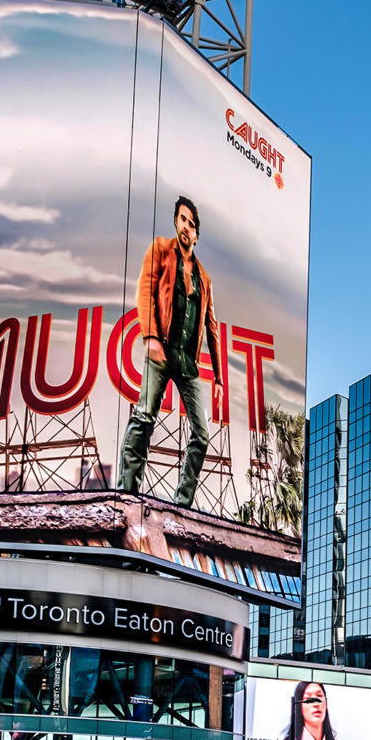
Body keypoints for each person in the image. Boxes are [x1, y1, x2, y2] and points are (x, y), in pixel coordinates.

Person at [118, 195, 224, 509]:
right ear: (175, 222)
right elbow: (146, 291)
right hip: (160, 349)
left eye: (192, 224)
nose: (186, 228)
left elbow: (212, 327)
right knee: (144, 418)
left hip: (188, 363)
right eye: (182, 220)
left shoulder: (204, 278)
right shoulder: (161, 251)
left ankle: (182, 505)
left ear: (197, 234)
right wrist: (150, 336)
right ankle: (127, 494)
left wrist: (218, 377)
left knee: (201, 435)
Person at [273, 682, 349, 740]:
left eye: (319, 696)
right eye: (308, 699)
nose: (316, 703)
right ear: (299, 706)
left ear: (326, 703)